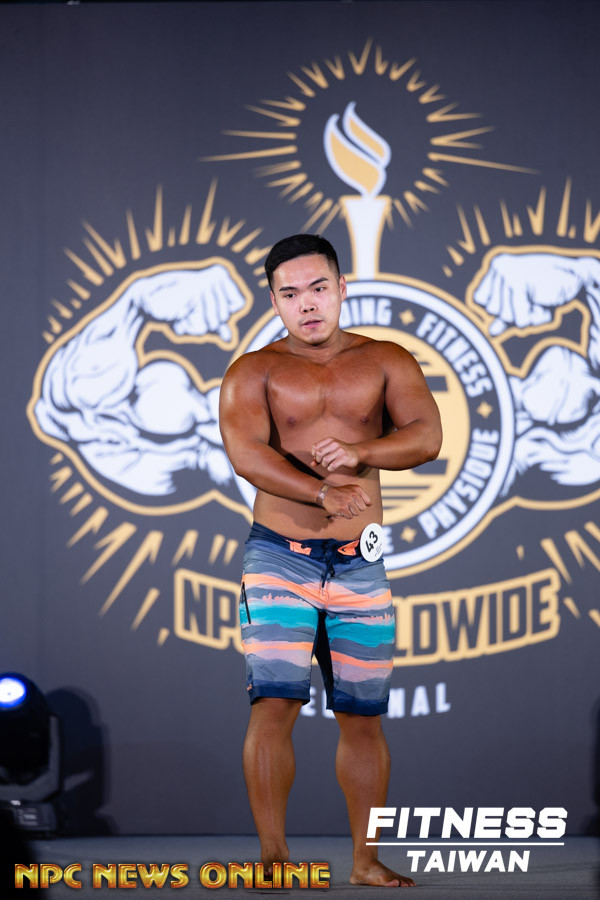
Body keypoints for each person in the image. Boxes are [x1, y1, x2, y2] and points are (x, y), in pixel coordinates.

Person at [219, 233, 442, 888]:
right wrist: (320, 491)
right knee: (273, 705)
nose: (307, 304)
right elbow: (246, 455)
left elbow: (428, 435)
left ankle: (366, 862)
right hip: (278, 557)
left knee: (363, 717)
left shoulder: (385, 359)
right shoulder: (253, 370)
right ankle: (274, 860)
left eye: (318, 288)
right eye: (290, 294)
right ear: (274, 301)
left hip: (357, 563)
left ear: (341, 288)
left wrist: (362, 454)